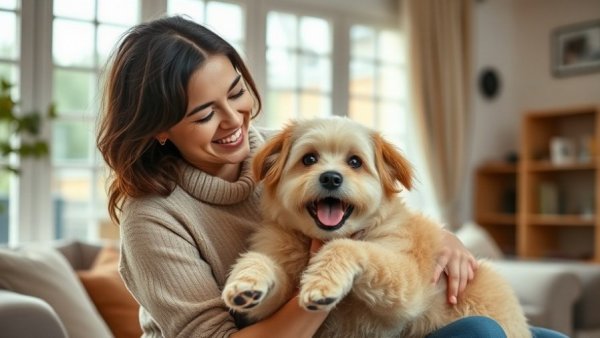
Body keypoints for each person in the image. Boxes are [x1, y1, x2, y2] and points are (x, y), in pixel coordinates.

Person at [96, 15, 566, 338]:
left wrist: (440, 241)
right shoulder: (153, 217)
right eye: (204, 114)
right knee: (480, 333)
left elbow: (378, 203)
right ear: (159, 128)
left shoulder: (275, 149)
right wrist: (326, 278)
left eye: (236, 92)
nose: (234, 120)